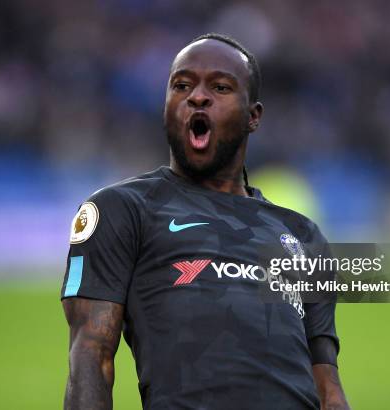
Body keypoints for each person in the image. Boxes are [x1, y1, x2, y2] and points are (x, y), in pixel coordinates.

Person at [61, 33, 350, 410]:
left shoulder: (302, 236)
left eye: (220, 87)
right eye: (181, 85)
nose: (197, 96)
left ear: (253, 116)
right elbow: (91, 357)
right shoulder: (122, 210)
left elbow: (328, 389)